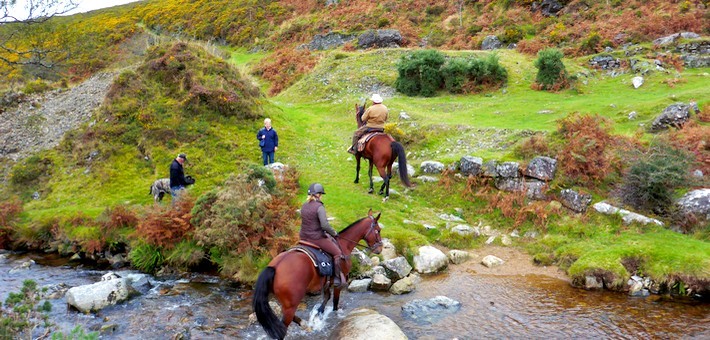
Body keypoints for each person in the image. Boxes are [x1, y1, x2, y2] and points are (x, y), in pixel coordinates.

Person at [298, 183, 347, 287]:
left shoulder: (304, 206)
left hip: (303, 237)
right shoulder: (319, 207)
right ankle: (337, 279)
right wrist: (334, 233)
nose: (321, 196)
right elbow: (324, 225)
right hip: (316, 238)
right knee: (337, 253)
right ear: (318, 194)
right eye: (321, 194)